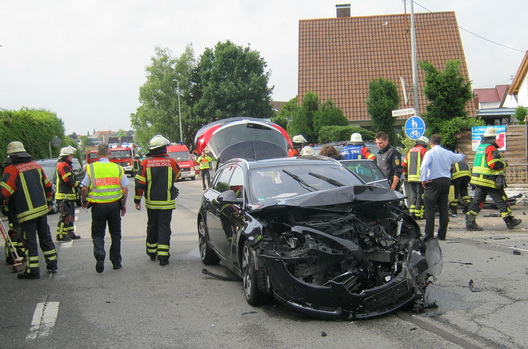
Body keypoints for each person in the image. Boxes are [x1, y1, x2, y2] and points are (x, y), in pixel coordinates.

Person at [0, 141, 57, 279]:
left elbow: (5, 192)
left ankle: (33, 270)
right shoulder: (36, 166)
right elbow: (48, 186)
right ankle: (52, 263)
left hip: (26, 212)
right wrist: (49, 203)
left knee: (29, 240)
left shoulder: (12, 169)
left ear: (12, 156)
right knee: (45, 236)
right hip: (42, 209)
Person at [81, 143, 129, 273]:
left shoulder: (91, 168)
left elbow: (84, 188)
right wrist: (123, 205)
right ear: (109, 154)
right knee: (115, 234)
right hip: (114, 205)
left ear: (97, 154)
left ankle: (99, 253)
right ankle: (116, 261)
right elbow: (125, 188)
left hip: (98, 206)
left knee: (98, 233)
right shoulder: (117, 168)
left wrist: (84, 201)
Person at [134, 135, 181, 266]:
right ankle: (163, 256)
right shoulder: (171, 162)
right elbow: (178, 175)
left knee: (152, 226)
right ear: (163, 148)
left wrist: (137, 200)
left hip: (152, 203)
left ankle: (152, 252)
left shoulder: (145, 163)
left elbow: (139, 184)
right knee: (165, 227)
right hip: (167, 203)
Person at [465, 127, 522, 231]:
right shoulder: (491, 148)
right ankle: (510, 221)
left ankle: (470, 221)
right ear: (493, 137)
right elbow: (493, 164)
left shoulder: (481, 147)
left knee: (477, 202)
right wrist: (504, 164)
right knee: (502, 200)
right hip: (489, 181)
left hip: (479, 180)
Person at [420, 134, 465, 240]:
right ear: (440, 142)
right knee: (443, 208)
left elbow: (424, 166)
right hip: (446, 181)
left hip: (433, 181)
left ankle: (429, 234)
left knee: (430, 208)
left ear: (431, 143)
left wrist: (423, 179)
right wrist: (463, 155)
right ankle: (442, 234)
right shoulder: (447, 153)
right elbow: (459, 157)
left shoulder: (429, 153)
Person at [55, 146, 81, 241]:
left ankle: (70, 233)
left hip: (68, 196)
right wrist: (78, 184)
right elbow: (68, 180)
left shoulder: (66, 164)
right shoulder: (63, 165)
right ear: (66, 156)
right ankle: (61, 235)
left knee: (70, 216)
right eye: (70, 155)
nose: (72, 156)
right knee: (65, 216)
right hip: (64, 196)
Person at [402, 136, 429, 219]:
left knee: (413, 196)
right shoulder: (424, 151)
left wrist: (406, 175)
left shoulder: (410, 151)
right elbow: (427, 165)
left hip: (410, 178)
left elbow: (404, 165)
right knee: (419, 196)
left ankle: (412, 214)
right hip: (420, 178)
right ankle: (418, 215)